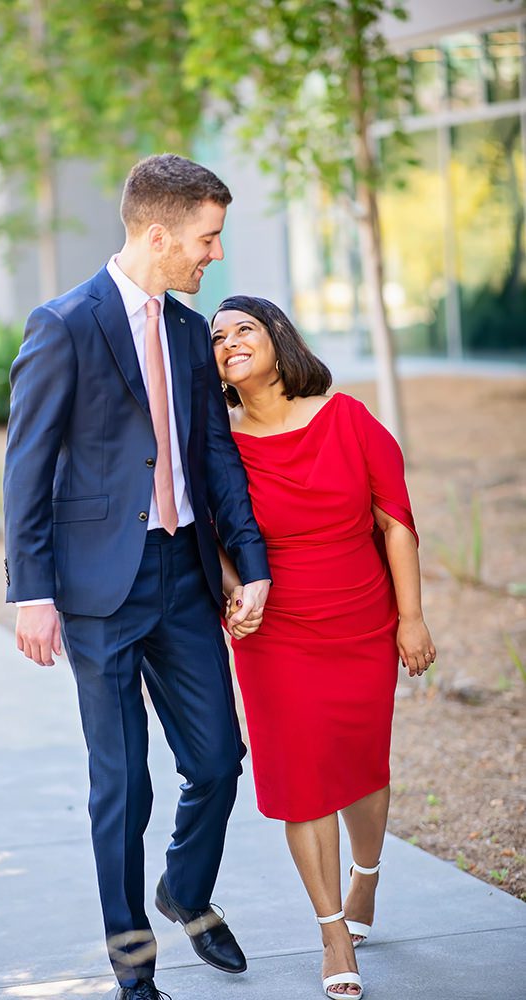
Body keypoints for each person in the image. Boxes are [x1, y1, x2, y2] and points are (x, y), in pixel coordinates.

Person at [2, 157, 270, 1000]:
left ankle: (183, 891)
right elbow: (26, 468)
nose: (213, 255)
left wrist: (250, 564)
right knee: (121, 783)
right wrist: (31, 592)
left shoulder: (192, 333)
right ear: (158, 235)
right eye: (206, 237)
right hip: (95, 592)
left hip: (184, 575)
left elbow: (216, 457)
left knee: (220, 762)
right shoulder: (64, 323)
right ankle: (134, 973)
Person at [210, 295, 436, 1000]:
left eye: (243, 327)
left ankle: (364, 877)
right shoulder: (219, 441)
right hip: (275, 629)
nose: (228, 342)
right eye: (216, 337)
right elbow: (211, 535)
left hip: (360, 619)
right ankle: (332, 929)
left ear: (278, 337)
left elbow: (393, 523)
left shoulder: (347, 418)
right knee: (302, 777)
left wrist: (411, 618)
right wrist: (232, 592)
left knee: (360, 767)